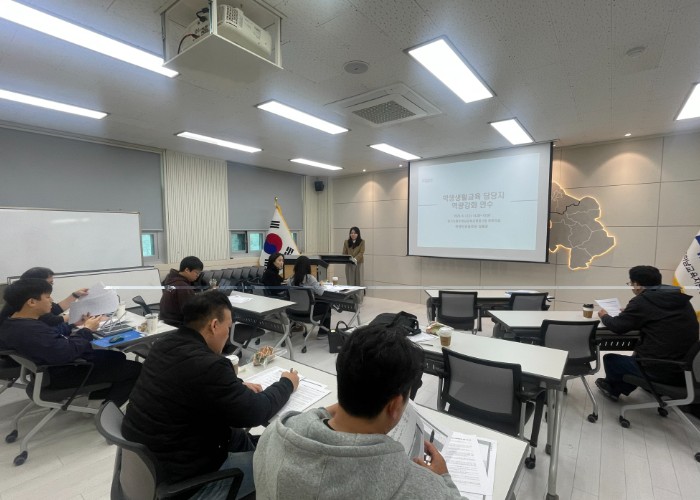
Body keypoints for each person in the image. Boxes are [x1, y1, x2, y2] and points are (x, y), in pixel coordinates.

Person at [122, 291, 299, 500]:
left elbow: (189, 382)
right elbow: (257, 412)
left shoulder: (163, 345)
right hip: (189, 482)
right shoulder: (209, 366)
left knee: (246, 437)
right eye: (228, 327)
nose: (228, 334)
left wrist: (235, 385)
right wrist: (287, 383)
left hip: (157, 462)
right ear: (214, 325)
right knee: (286, 465)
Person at [253, 324, 461, 499]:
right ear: (395, 405)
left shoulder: (272, 436)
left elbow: (305, 421)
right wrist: (444, 478)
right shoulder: (420, 488)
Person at [0, 278, 141, 406]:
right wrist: (87, 330)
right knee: (136, 369)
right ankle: (106, 408)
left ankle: (96, 399)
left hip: (48, 370)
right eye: (47, 297)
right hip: (61, 374)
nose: (51, 300)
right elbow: (68, 352)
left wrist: (73, 325)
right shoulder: (31, 331)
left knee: (117, 356)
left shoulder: (13, 323)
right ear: (31, 302)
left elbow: (52, 339)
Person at [595, 265, 699, 402]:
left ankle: (613, 389)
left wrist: (604, 316)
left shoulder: (643, 301)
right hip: (686, 370)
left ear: (637, 285)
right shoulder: (679, 298)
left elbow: (618, 326)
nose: (631, 287)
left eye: (631, 283)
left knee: (611, 360)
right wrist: (631, 313)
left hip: (661, 370)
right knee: (636, 354)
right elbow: (660, 318)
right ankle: (644, 385)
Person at [0, 266, 88, 326]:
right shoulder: (28, 306)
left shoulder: (23, 297)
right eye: (50, 283)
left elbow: (55, 309)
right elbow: (52, 320)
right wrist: (80, 317)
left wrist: (75, 295)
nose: (51, 286)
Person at [286, 255, 331, 335]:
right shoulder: (310, 278)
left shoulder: (289, 280)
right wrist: (320, 284)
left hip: (293, 311)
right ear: (308, 267)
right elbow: (320, 292)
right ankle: (323, 333)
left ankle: (295, 325)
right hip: (308, 312)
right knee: (327, 305)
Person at [159, 255, 204, 326]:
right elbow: (191, 312)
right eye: (196, 272)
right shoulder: (183, 287)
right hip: (176, 324)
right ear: (187, 270)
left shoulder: (171, 280)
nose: (198, 275)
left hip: (165, 321)